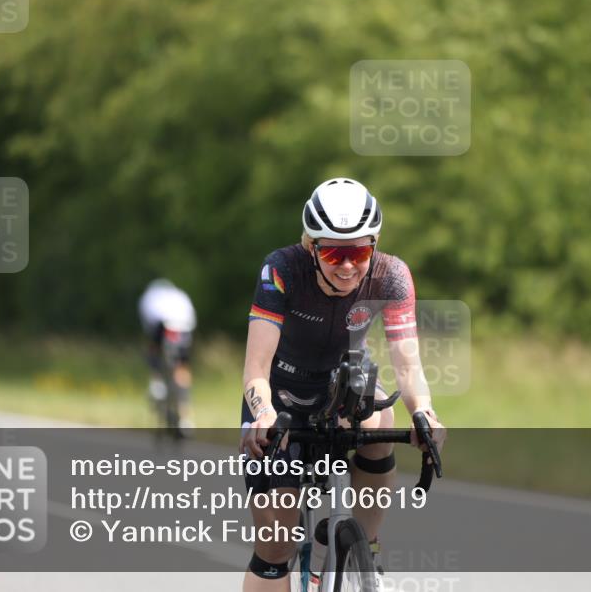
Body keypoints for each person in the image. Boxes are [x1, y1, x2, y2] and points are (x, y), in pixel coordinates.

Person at [239, 177, 447, 591]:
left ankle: (365, 549)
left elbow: (407, 364)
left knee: (378, 416)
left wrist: (424, 412)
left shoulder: (392, 276)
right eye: (334, 252)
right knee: (275, 547)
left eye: (359, 252)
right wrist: (263, 414)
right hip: (281, 395)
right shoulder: (281, 270)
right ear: (311, 246)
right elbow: (256, 370)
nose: (347, 265)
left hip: (345, 383)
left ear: (374, 245)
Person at [138, 278, 197, 433]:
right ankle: (185, 418)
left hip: (161, 325)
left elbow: (148, 326)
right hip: (183, 328)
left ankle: (156, 381)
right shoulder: (180, 295)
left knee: (153, 350)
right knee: (182, 368)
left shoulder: (149, 296)